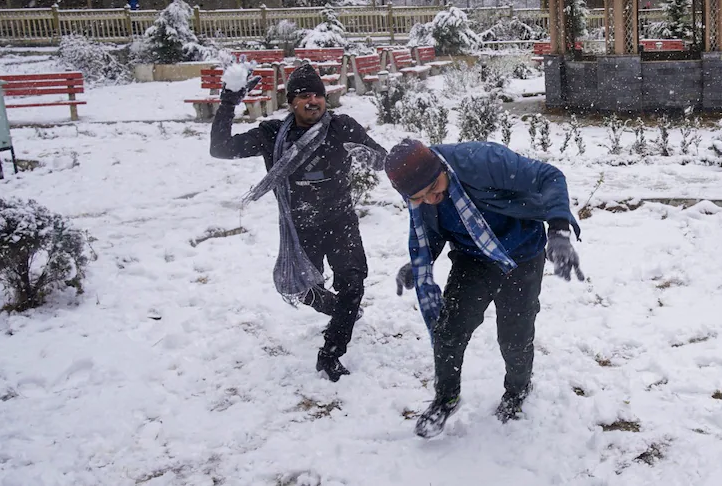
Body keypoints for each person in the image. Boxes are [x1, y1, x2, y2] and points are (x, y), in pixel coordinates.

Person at [385, 137, 583, 438]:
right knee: (449, 332)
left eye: (431, 190)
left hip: (522, 254)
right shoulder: (423, 194)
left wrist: (558, 231)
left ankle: (517, 390)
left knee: (515, 337)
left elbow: (550, 176)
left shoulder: (480, 160)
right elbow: (434, 229)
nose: (428, 200)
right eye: (419, 198)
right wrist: (419, 263)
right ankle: (446, 398)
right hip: (472, 259)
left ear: (439, 168)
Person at [210, 64, 389, 381]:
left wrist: (376, 156)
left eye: (318, 95)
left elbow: (381, 159)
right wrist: (228, 103)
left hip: (340, 220)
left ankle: (331, 353)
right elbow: (220, 149)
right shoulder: (272, 136)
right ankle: (337, 311)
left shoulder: (341, 128)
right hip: (299, 226)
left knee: (353, 283)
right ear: (291, 101)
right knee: (303, 289)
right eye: (304, 95)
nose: (313, 101)